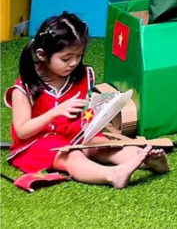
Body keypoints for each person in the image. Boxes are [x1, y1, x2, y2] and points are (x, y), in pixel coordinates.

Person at [7, 13, 167, 187]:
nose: (73, 63)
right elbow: (22, 131)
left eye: (79, 55)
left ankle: (148, 160)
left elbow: (87, 110)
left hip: (75, 133)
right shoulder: (24, 87)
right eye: (66, 58)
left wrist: (99, 111)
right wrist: (56, 112)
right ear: (42, 55)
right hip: (38, 142)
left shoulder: (83, 75)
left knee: (103, 145)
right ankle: (112, 175)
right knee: (73, 156)